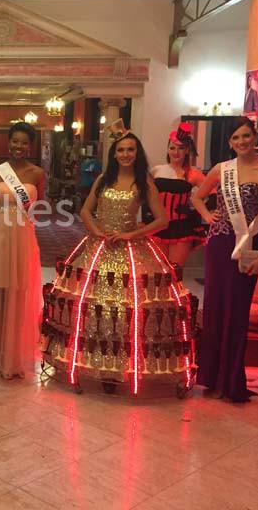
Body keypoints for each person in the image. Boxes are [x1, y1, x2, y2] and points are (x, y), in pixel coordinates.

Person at [47, 120, 196, 394]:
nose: (126, 154)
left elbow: (161, 220)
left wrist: (132, 235)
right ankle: (97, 363)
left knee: (127, 309)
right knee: (95, 305)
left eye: (130, 150)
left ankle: (119, 367)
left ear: (137, 153)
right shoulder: (104, 179)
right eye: (121, 150)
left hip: (130, 248)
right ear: (113, 154)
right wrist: (97, 231)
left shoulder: (144, 182)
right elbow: (85, 211)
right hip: (98, 246)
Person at [192, 116, 258, 403]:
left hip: (247, 246)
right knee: (215, 307)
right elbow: (197, 197)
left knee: (239, 311)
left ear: (254, 136)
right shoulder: (221, 169)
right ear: (229, 143)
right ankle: (210, 377)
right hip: (218, 244)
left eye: (246, 136)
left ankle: (231, 380)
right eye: (235, 138)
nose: (241, 142)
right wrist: (207, 216)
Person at [0, 121, 45, 379]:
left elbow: (39, 210)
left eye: (24, 142)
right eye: (15, 141)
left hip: (23, 237)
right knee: (1, 294)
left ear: (30, 146)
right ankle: (1, 353)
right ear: (9, 142)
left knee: (21, 294)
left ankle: (15, 355)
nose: (19, 146)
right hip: (0, 235)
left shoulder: (37, 174)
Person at [150, 123, 206, 268]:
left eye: (181, 148)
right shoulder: (156, 171)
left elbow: (213, 194)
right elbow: (144, 195)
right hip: (157, 226)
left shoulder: (194, 174)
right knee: (158, 273)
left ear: (187, 150)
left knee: (175, 272)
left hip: (181, 227)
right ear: (168, 150)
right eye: (172, 148)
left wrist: (196, 209)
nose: (176, 152)